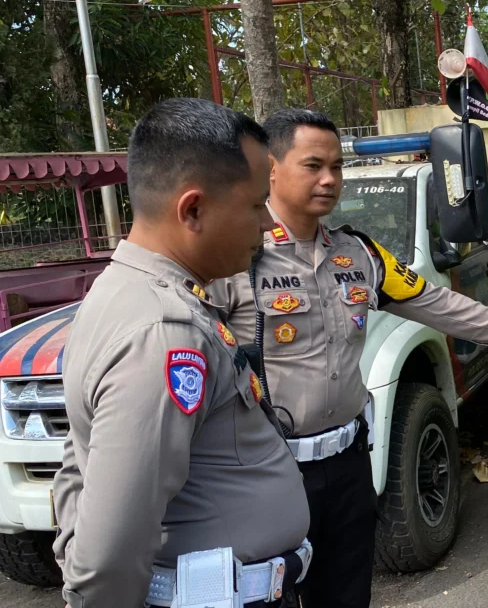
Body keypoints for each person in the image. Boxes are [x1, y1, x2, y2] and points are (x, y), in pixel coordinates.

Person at [207, 109, 488, 608]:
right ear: (271, 169)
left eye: (337, 167)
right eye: (313, 165)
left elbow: (435, 302)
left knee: (346, 594)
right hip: (270, 471)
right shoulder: (234, 259)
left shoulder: (358, 254)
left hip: (347, 466)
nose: (329, 179)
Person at [51, 99, 312, 607]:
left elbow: (79, 461)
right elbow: (106, 559)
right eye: (257, 204)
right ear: (192, 209)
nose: (267, 226)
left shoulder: (128, 293)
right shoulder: (163, 331)